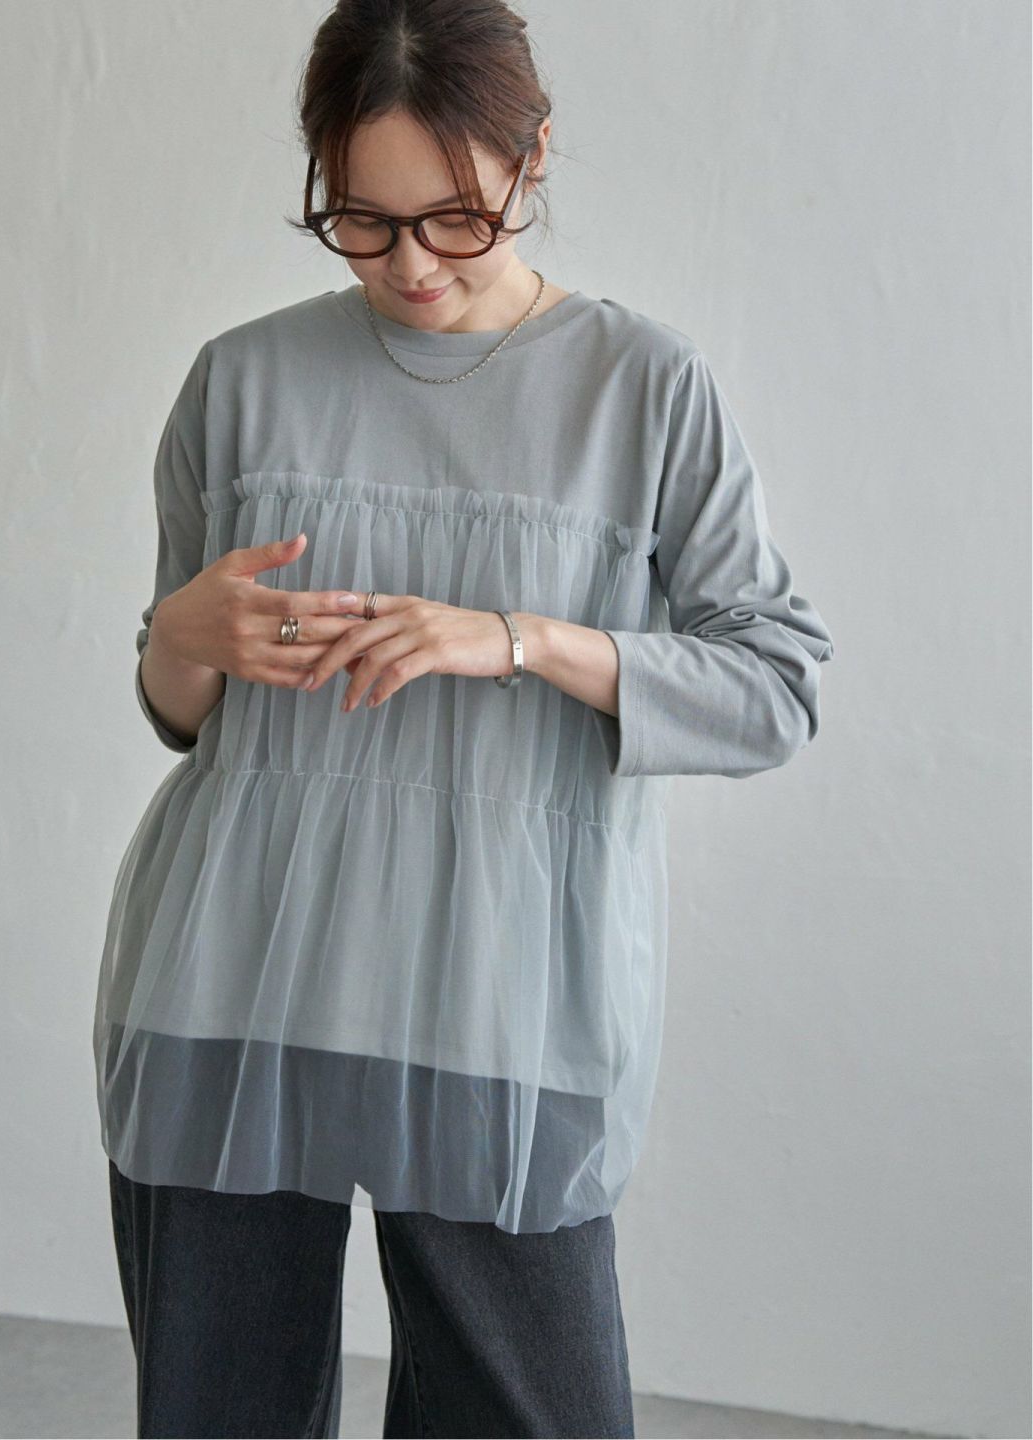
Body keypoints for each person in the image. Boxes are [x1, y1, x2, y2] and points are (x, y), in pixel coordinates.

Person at [94, 2, 835, 1435]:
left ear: (532, 156)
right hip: (232, 980)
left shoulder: (644, 389)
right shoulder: (240, 380)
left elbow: (775, 684)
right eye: (362, 222)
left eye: (455, 218)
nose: (412, 265)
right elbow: (183, 716)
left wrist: (514, 640)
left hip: (507, 1006)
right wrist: (178, 641)